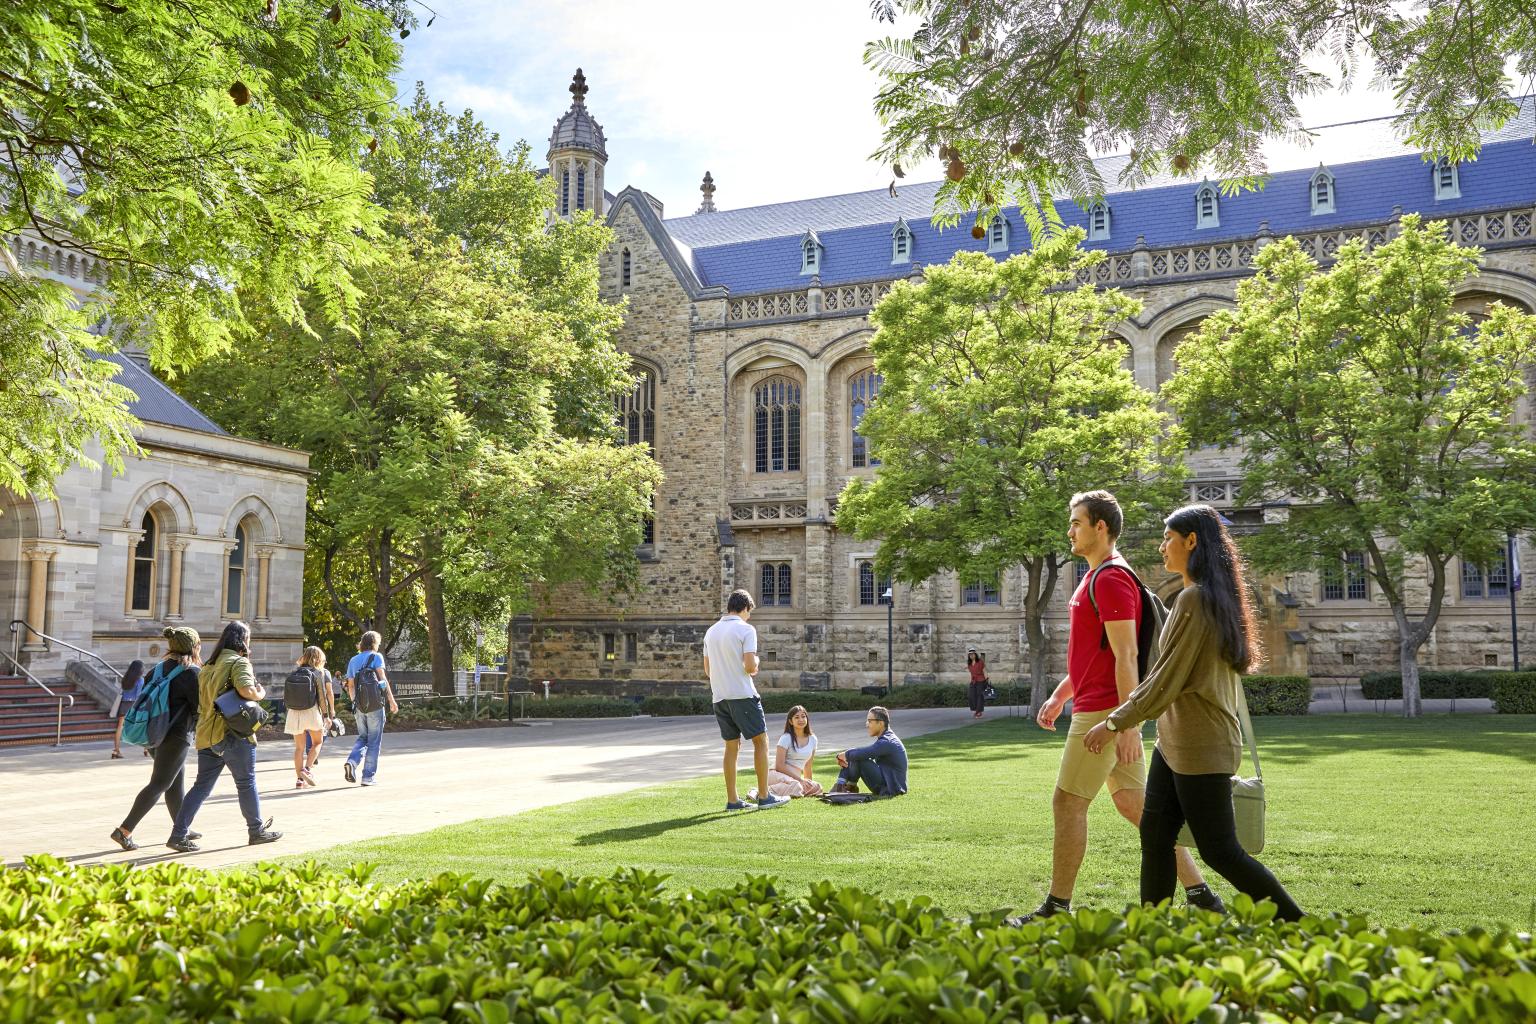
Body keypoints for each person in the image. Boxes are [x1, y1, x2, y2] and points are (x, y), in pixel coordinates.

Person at [1084, 504, 1304, 922]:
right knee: (1155, 834)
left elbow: (1166, 679)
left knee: (1221, 851)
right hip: (1175, 743)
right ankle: (1150, 928)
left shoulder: (1196, 600)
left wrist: (1115, 721)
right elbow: (1172, 659)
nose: (1162, 546)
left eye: (1169, 538)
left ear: (1192, 541)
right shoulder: (1204, 598)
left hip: (1202, 745)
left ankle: (1298, 923)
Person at [1025, 490, 1222, 921]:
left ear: (1101, 527)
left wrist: (1127, 725)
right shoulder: (1092, 577)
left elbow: (1126, 655)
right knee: (1137, 808)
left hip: (1103, 714)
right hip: (1100, 707)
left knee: (1068, 803)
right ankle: (1203, 896)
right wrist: (1061, 695)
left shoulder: (1112, 578)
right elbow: (1093, 657)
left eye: (1077, 522)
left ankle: (1056, 907)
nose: (1070, 530)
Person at [166, 620, 282, 852]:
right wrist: (261, 692)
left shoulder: (208, 665)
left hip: (207, 734)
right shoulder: (239, 662)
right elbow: (246, 690)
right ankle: (256, 831)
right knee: (246, 782)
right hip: (232, 733)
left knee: (201, 786)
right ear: (243, 641)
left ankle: (178, 835)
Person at [109, 628, 202, 851]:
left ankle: (182, 828)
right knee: (160, 783)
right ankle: (124, 830)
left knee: (173, 783)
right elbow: (199, 708)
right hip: (177, 736)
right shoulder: (191, 673)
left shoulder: (157, 669)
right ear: (194, 646)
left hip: (153, 734)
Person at [702, 589, 789, 811]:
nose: (750, 616)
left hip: (719, 696)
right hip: (742, 694)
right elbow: (750, 667)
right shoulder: (745, 629)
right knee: (761, 741)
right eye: (750, 612)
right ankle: (764, 796)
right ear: (745, 608)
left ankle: (733, 800)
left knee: (731, 747)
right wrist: (757, 662)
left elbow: (708, 670)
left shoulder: (711, 632)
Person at [342, 630, 397, 787]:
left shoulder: (353, 660)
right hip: (375, 705)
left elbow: (350, 685)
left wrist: (355, 703)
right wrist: (391, 701)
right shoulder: (376, 657)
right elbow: (382, 680)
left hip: (359, 705)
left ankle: (352, 761)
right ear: (374, 643)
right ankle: (368, 777)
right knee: (374, 741)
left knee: (363, 737)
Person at [285, 646, 335, 789]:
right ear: (319, 659)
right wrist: (326, 716)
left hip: (294, 712)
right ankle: (307, 769)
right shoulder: (317, 673)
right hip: (311, 711)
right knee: (318, 742)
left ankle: (300, 781)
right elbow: (322, 696)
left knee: (299, 748)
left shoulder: (295, 672)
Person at [829, 706, 908, 796]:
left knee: (857, 756)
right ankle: (848, 786)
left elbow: (864, 753)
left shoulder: (888, 741)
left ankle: (842, 785)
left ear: (881, 723)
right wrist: (846, 755)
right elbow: (862, 753)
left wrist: (844, 755)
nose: (867, 724)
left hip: (892, 789)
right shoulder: (886, 738)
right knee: (855, 755)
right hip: (888, 786)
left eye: (870, 721)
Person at [757, 705, 824, 799]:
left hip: (794, 779)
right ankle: (759, 792)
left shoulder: (813, 739)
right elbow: (779, 766)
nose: (801, 719)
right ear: (790, 721)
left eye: (803, 716)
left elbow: (807, 765)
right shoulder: (786, 738)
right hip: (777, 775)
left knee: (817, 787)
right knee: (796, 786)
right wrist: (800, 779)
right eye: (797, 717)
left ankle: (793, 789)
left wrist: (808, 784)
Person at [111, 659, 146, 759]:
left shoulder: (125, 678)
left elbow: (122, 691)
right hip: (134, 705)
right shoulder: (140, 680)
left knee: (119, 727)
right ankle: (146, 748)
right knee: (143, 725)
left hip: (123, 704)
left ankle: (116, 750)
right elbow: (139, 696)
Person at [966, 649, 989, 718]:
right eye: (970, 654)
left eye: (972, 654)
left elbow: (984, 670)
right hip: (973, 681)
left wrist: (987, 678)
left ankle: (978, 712)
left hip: (981, 680)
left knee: (980, 696)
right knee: (971, 695)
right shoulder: (969, 663)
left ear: (975, 655)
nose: (971, 655)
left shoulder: (980, 662)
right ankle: (976, 709)